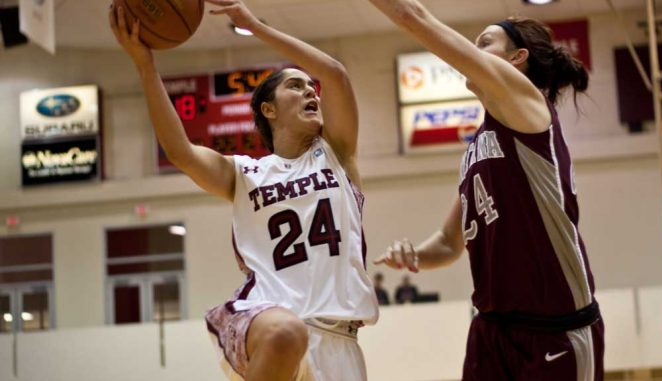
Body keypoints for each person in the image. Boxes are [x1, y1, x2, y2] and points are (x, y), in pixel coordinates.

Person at [109, 0, 379, 380]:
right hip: (266, 325)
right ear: (269, 110)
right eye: (295, 86)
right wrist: (145, 64)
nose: (311, 92)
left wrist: (256, 25)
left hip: (340, 344)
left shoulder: (337, 154)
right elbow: (180, 152)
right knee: (287, 331)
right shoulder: (245, 173)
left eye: (310, 87)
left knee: (295, 333)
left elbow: (334, 74)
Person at [369, 1, 604, 380]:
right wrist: (413, 255)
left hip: (555, 327)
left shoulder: (527, 105)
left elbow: (413, 15)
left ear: (517, 58)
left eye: (484, 42)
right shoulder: (477, 147)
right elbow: (448, 243)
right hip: (491, 331)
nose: (472, 51)